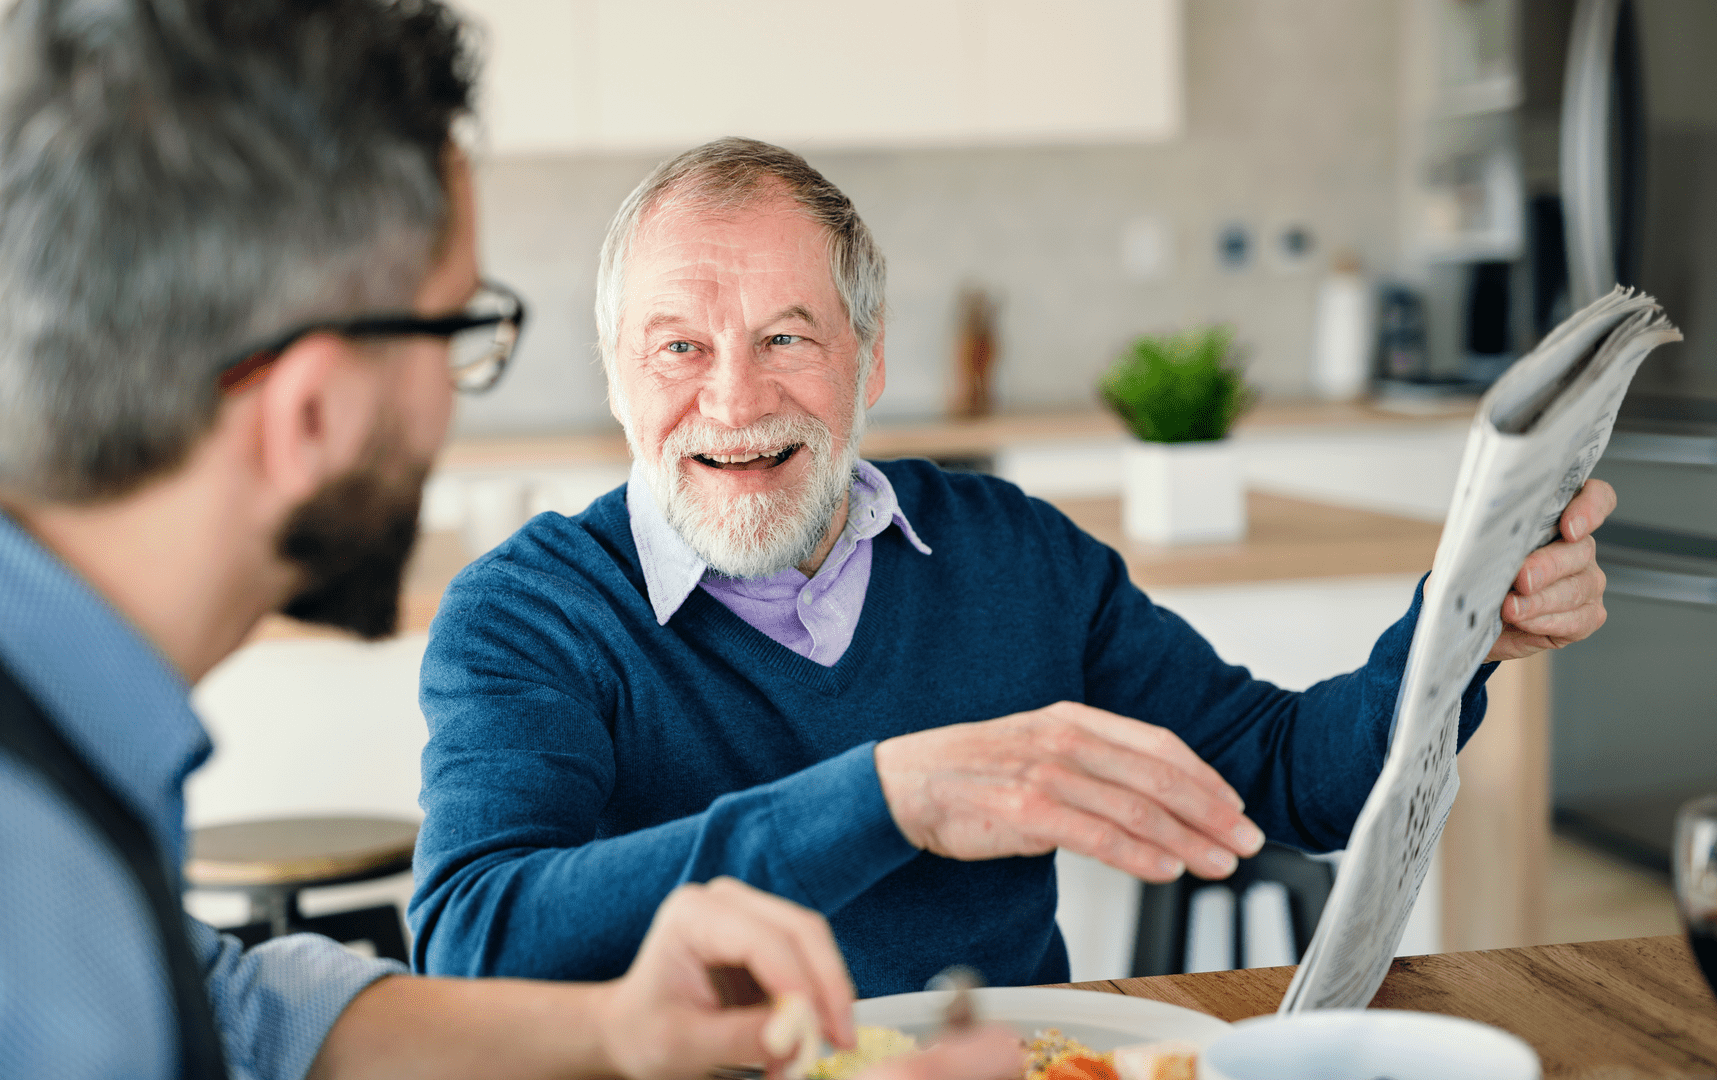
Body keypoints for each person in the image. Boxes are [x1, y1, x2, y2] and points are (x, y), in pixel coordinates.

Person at [0, 8, 1022, 1079]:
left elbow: (228, 1015)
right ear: (314, 409)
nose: (453, 398)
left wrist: (615, 1034)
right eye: (456, 334)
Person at [411, 137, 1617, 996]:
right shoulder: (532, 615)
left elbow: (1290, 778)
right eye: (680, 345)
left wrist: (1462, 623)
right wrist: (886, 797)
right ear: (616, 377)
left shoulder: (1011, 554)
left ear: (869, 363)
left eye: (790, 336)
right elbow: (475, 939)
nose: (735, 396)